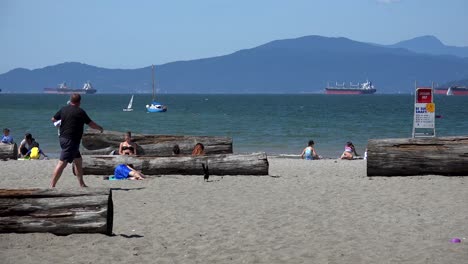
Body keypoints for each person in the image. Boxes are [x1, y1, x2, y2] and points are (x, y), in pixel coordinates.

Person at [50, 93, 104, 188]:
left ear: (71, 101)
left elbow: (53, 119)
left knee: (78, 161)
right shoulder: (80, 112)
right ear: (79, 102)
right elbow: (90, 124)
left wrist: (59, 124)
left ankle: (81, 184)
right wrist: (100, 128)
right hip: (70, 141)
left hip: (64, 139)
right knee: (62, 163)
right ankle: (52, 185)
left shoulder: (63, 109)